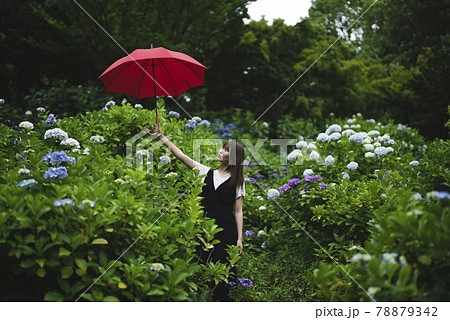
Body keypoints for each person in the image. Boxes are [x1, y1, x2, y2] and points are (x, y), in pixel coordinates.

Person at [147, 120, 245, 301]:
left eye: (225, 149)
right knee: (202, 261)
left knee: (224, 266)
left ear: (232, 157)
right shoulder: (205, 172)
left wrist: (239, 238)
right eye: (222, 148)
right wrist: (162, 137)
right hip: (204, 224)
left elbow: (238, 211)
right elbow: (181, 156)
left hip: (226, 228)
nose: (220, 151)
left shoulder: (237, 180)